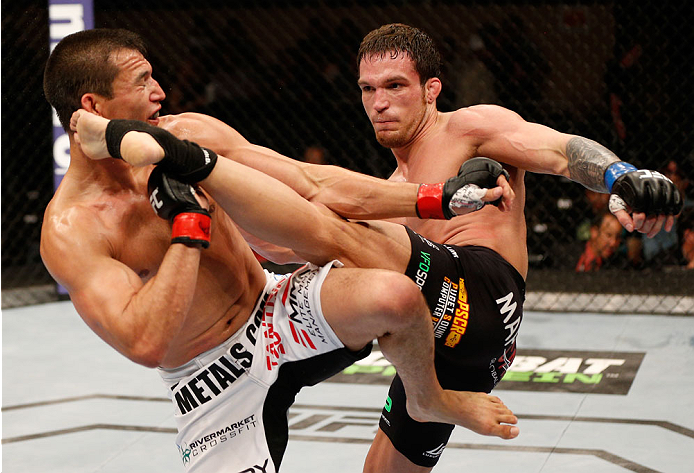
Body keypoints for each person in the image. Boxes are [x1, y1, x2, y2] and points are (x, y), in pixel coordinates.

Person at [157, 23, 680, 472]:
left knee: (336, 222)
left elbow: (561, 150)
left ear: (431, 89)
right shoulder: (393, 188)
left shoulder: (467, 129)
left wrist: (621, 176)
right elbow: (284, 238)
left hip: (482, 298)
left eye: (395, 86)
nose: (379, 103)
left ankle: (207, 154)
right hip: (440, 344)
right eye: (367, 89)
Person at [41, 29, 518, 473]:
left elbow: (313, 183)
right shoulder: (72, 229)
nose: (160, 91)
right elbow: (144, 342)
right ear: (93, 105)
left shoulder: (186, 134)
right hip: (211, 377)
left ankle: (427, 397)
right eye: (143, 80)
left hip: (273, 311)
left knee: (395, 296)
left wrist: (436, 197)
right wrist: (189, 229)